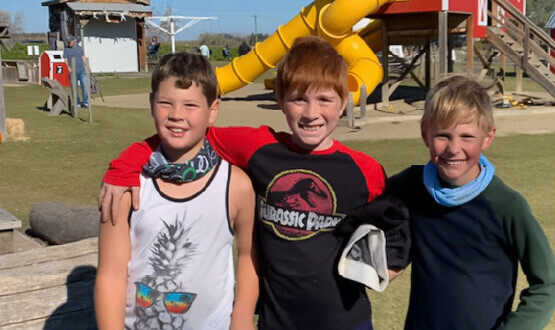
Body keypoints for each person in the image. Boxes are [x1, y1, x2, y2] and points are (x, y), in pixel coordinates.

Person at [98, 36, 408, 330]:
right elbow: (186, 134)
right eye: (298, 99)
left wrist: (394, 262)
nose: (311, 113)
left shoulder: (365, 170)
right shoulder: (258, 147)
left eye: (325, 99)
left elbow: (399, 215)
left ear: (344, 102)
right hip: (276, 321)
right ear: (281, 101)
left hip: (345, 321)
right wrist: (125, 164)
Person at [94, 52, 258, 330]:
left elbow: (247, 256)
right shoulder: (125, 185)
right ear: (151, 103)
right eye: (166, 103)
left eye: (191, 105)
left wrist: (241, 320)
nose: (176, 115)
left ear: (213, 111)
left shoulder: (236, 186)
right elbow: (110, 274)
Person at [386, 75, 555, 329]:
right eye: (443, 135)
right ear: (425, 133)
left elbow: (550, 284)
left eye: (467, 136)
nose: (453, 148)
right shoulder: (410, 186)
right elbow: (368, 202)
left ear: (488, 137)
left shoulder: (506, 205)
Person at [62, 35, 90, 108]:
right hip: (73, 72)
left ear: (74, 41)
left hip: (81, 70)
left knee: (85, 86)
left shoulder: (80, 48)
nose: (69, 43)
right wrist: (68, 67)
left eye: (70, 41)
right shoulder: (66, 50)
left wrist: (87, 66)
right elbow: (65, 59)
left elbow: (83, 57)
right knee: (74, 88)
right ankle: (77, 102)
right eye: (68, 42)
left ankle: (85, 102)